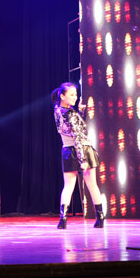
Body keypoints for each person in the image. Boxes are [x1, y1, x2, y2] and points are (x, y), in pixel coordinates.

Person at [52, 82, 105, 229]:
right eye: (72, 95)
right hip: (82, 148)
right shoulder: (70, 113)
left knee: (68, 186)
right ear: (62, 96)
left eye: (75, 94)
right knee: (91, 184)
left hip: (68, 150)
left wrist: (80, 112)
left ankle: (63, 219)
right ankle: (100, 217)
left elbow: (71, 129)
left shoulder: (58, 110)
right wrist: (82, 159)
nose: (75, 97)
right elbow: (78, 136)